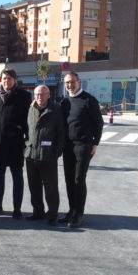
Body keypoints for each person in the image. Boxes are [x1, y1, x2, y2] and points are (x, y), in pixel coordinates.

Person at [0, 69, 32, 218]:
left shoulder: (24, 96)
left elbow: (28, 119)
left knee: (17, 177)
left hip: (15, 143)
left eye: (9, 78)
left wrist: (23, 134)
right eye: (4, 78)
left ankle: (17, 209)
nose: (6, 81)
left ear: (15, 80)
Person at [60, 71, 103, 229]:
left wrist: (95, 144)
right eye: (67, 83)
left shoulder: (89, 100)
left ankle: (79, 214)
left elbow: (99, 123)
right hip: (67, 146)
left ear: (79, 82)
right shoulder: (65, 102)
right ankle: (71, 210)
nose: (69, 85)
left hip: (83, 146)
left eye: (72, 82)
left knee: (78, 179)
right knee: (69, 179)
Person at [24, 85, 64, 226]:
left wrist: (56, 152)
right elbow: (27, 129)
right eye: (37, 94)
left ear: (48, 95)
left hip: (48, 156)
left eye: (42, 94)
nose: (39, 97)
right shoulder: (31, 109)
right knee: (34, 186)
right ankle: (38, 212)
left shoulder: (56, 110)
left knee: (51, 187)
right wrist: (26, 146)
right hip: (31, 155)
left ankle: (52, 214)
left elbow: (61, 133)